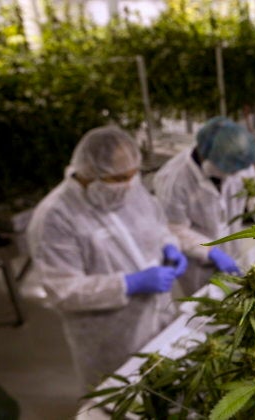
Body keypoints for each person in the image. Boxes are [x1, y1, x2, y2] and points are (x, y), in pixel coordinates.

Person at [26, 126, 187, 390]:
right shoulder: (54, 217)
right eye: (119, 178)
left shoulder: (130, 189)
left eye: (133, 175)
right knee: (119, 399)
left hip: (158, 316)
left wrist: (171, 246)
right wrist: (129, 283)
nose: (128, 184)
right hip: (110, 337)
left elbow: (157, 226)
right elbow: (62, 290)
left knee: (164, 390)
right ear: (89, 173)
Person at [153, 117, 255, 295]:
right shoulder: (173, 179)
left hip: (232, 247)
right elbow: (174, 229)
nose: (233, 175)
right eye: (228, 169)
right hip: (198, 266)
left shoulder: (238, 159)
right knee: (207, 306)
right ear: (204, 154)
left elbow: (254, 190)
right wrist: (211, 252)